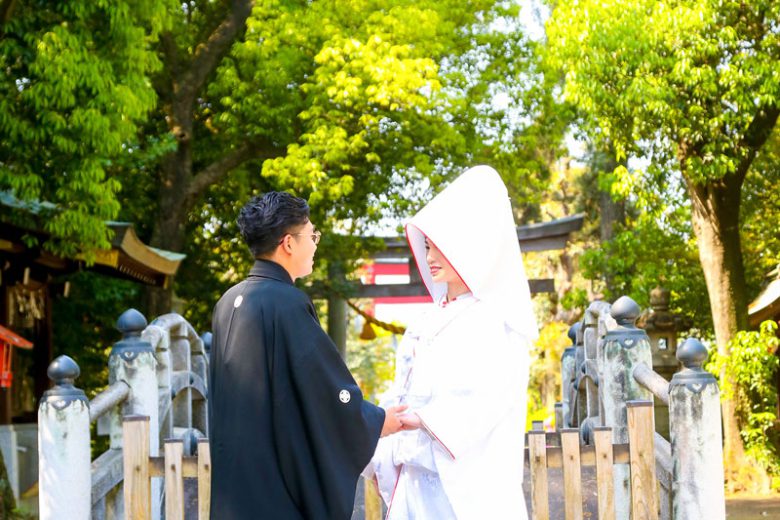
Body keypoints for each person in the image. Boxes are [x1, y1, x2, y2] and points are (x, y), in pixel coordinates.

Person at [208, 191, 406, 520]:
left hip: (235, 487)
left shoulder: (228, 302)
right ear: (288, 243)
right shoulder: (285, 303)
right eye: (312, 235)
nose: (315, 243)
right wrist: (376, 420)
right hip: (274, 494)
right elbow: (325, 392)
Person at [363, 165, 539, 519]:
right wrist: (387, 418)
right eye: (427, 247)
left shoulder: (497, 322)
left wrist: (421, 418)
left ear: (468, 249)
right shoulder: (427, 321)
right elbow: (402, 388)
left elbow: (488, 399)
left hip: (464, 489)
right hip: (415, 478)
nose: (429, 258)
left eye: (439, 247)